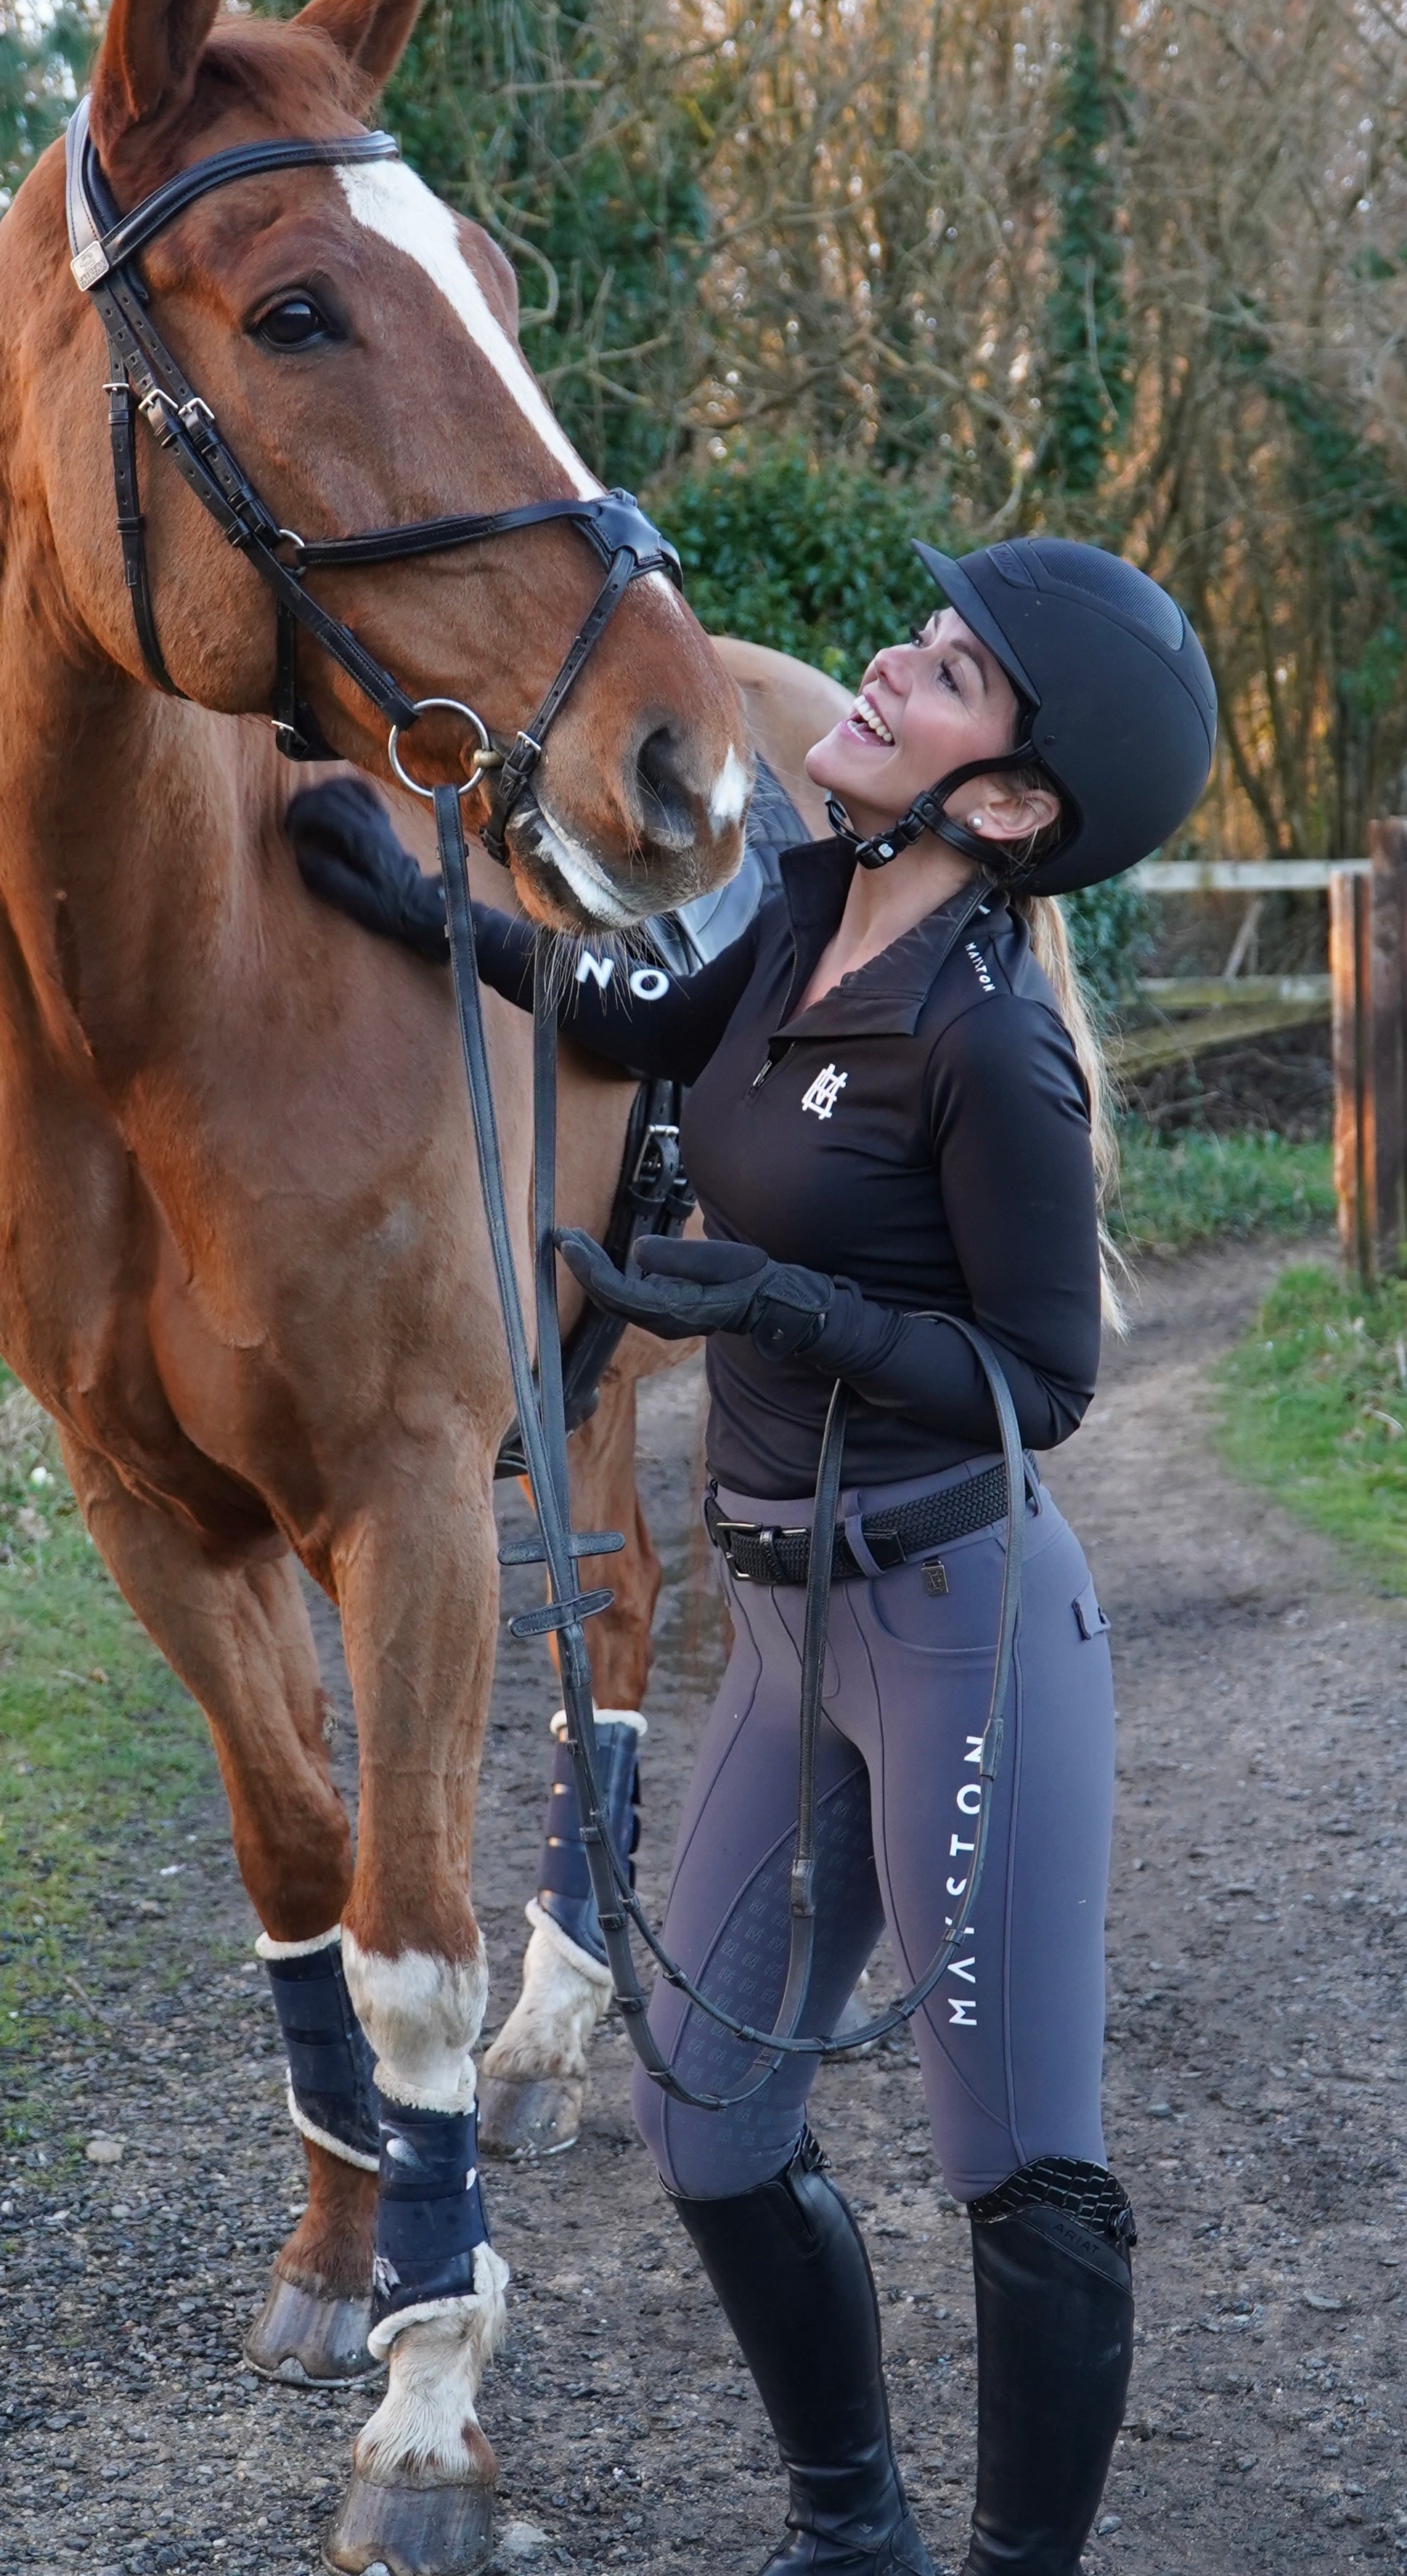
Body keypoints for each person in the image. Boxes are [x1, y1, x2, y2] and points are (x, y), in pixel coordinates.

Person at [289, 534, 1216, 2576]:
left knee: (1016, 2167)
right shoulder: (794, 901)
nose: (890, 665)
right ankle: (851, 2527)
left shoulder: (990, 1043)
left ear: (1014, 801)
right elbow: (628, 1001)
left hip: (961, 1621)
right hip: (785, 1626)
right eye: (924, 640)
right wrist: (416, 903)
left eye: (953, 674)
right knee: (704, 2114)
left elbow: (1043, 1375)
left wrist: (779, 1313)